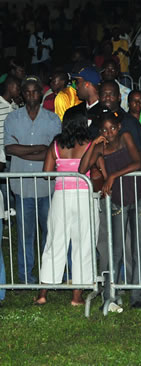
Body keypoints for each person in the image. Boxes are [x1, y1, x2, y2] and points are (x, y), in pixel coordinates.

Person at [78, 110, 141, 310]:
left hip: (138, 194)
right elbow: (82, 169)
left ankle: (137, 296)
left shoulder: (126, 137)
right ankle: (110, 294)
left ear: (118, 127)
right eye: (104, 130)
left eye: (112, 128)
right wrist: (93, 144)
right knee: (116, 249)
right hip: (118, 200)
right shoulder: (100, 147)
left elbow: (138, 162)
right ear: (99, 131)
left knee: (137, 248)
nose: (109, 133)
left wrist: (112, 176)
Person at [4, 76, 61, 284]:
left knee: (49, 234)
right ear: (22, 94)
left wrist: (25, 151)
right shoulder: (13, 118)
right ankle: (26, 277)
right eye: (26, 92)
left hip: (46, 186)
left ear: (40, 92)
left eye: (34, 91)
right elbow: (10, 148)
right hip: (22, 186)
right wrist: (40, 150)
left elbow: (53, 150)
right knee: (25, 236)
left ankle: (49, 275)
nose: (30, 95)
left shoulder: (53, 119)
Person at [36, 109, 95, 306]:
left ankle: (43, 293)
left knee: (55, 242)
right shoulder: (89, 144)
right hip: (84, 195)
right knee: (83, 244)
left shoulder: (56, 144)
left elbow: (46, 173)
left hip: (61, 196)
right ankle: (76, 296)